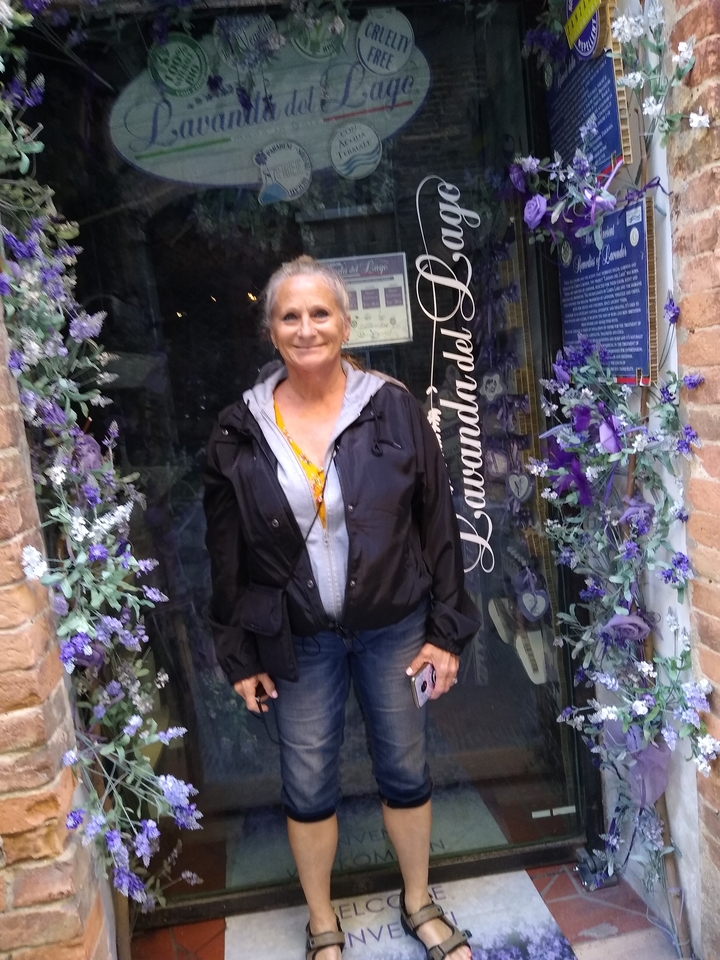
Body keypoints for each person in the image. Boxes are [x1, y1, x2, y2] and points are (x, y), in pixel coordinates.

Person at [204, 256, 479, 960]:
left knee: (406, 768)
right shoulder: (241, 429)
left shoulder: (392, 407)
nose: (306, 328)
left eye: (319, 313)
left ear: (345, 323)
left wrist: (446, 633)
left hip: (393, 627)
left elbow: (437, 523)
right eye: (290, 316)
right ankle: (323, 922)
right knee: (306, 779)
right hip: (298, 638)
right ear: (270, 330)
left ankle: (417, 901)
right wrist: (238, 654)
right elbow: (225, 549)